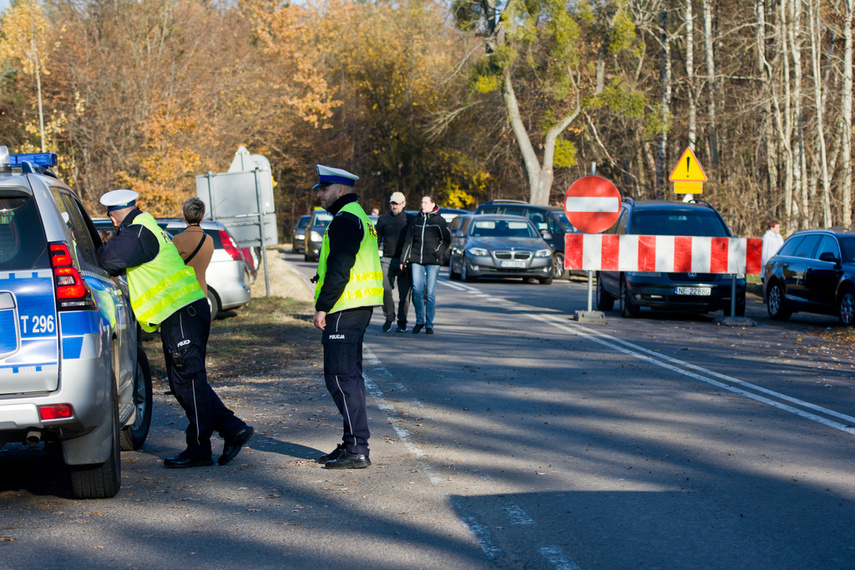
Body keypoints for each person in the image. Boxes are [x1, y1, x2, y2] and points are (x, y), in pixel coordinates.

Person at [96, 189, 253, 469]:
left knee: (187, 383)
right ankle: (232, 429)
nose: (111, 221)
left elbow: (108, 260)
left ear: (120, 211)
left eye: (111, 215)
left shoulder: (137, 232)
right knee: (189, 381)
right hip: (183, 312)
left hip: (181, 312)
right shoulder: (145, 227)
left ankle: (199, 449)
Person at [311, 165, 383, 469]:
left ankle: (357, 447)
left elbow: (340, 267)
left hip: (344, 307)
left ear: (340, 190)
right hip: (356, 307)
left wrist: (323, 306)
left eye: (324, 189)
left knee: (340, 378)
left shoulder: (346, 220)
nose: (319, 194)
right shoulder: (358, 216)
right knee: (350, 377)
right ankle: (352, 442)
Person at [401, 195, 450, 335]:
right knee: (417, 290)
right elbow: (408, 241)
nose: (423, 204)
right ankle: (419, 321)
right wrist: (403, 260)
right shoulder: (416, 220)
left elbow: (446, 240)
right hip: (417, 259)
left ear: (432, 204)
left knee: (429, 293)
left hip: (433, 261)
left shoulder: (439, 220)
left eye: (426, 202)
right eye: (421, 202)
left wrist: (438, 252)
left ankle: (429, 324)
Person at [375, 191, 413, 332]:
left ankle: (402, 321)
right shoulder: (383, 219)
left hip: (405, 261)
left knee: (404, 294)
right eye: (392, 203)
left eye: (397, 203)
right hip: (387, 259)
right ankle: (389, 317)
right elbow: (377, 239)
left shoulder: (410, 219)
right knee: (385, 289)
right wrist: (373, 256)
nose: (394, 206)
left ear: (403, 204)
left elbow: (413, 241)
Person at [172, 197, 214, 296]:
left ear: (184, 217)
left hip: (183, 293)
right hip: (201, 292)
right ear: (202, 217)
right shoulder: (209, 240)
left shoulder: (178, 240)